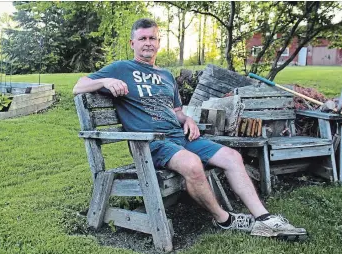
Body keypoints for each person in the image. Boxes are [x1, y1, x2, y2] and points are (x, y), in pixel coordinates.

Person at [73, 18, 307, 240]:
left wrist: (187, 120)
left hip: (180, 136)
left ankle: (264, 219)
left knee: (232, 157)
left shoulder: (165, 76)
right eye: (143, 39)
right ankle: (224, 219)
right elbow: (79, 86)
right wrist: (104, 81)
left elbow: (176, 111)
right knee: (193, 164)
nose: (148, 43)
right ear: (132, 43)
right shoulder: (121, 68)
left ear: (158, 42)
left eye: (152, 38)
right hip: (152, 144)